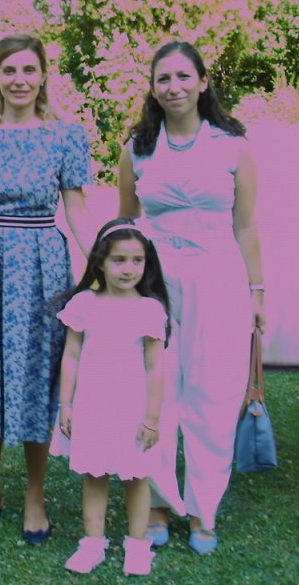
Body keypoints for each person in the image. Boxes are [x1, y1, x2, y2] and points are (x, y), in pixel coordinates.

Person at [0, 34, 93, 543]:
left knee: (35, 377)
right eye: (9, 70)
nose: (20, 79)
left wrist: (104, 265)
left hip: (41, 268)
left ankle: (34, 495)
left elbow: (77, 210)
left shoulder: (64, 136)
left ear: (43, 75)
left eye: (29, 69)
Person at [118, 40, 265, 555]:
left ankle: (204, 508)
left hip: (219, 282)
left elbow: (246, 226)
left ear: (203, 82)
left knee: (213, 393)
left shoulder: (233, 147)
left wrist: (257, 291)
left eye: (183, 76)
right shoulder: (137, 148)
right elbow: (127, 225)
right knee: (153, 390)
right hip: (155, 286)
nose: (173, 87)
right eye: (163, 78)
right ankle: (157, 503)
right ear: (153, 88)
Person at [49, 219, 173, 576]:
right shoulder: (85, 303)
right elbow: (71, 356)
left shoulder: (149, 309)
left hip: (133, 409)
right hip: (93, 406)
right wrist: (66, 404)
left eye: (137, 260)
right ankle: (92, 544)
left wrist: (152, 417)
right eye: (119, 260)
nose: (128, 269)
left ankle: (138, 546)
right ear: (100, 262)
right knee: (94, 474)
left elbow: (156, 367)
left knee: (136, 477)